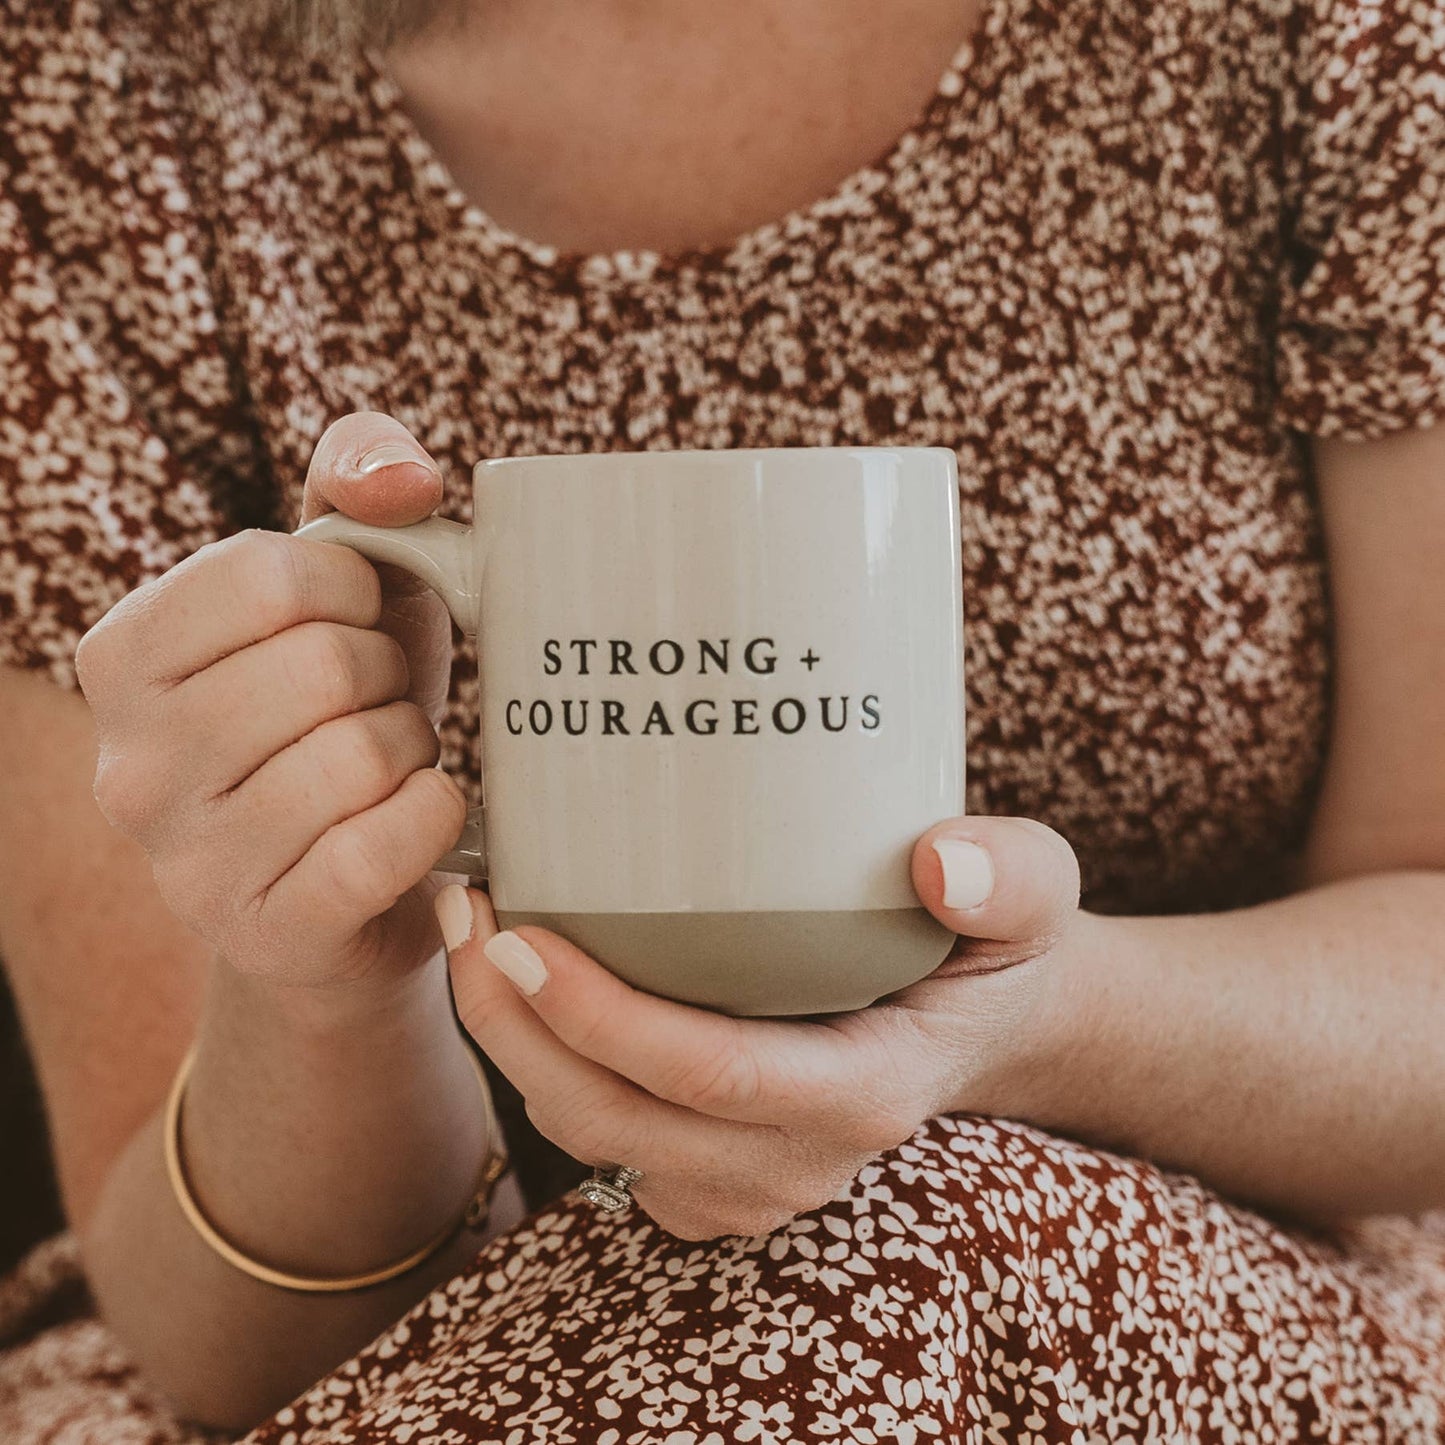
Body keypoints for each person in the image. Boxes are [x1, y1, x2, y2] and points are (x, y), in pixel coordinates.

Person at [1, 0, 1443, 1438]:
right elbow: (223, 1360)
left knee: (877, 1278)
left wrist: (1042, 1019)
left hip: (1238, 1265)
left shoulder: (1313, 29)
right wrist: (327, 984)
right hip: (419, 1354)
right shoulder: (104, 70)